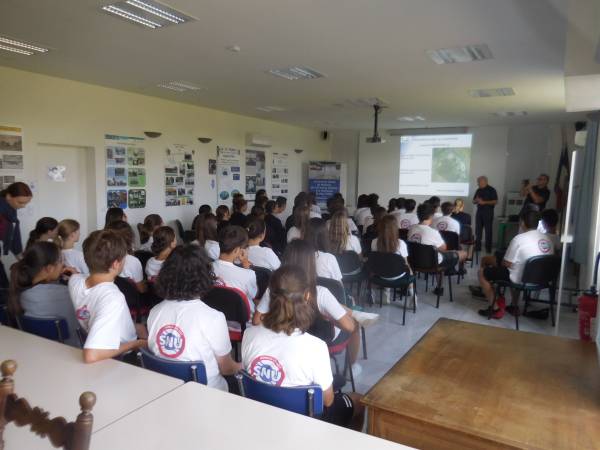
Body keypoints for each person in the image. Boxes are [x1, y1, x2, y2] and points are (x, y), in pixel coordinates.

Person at [243, 265, 364, 429]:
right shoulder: (316, 347)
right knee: (359, 400)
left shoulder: (249, 335)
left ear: (270, 296)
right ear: (307, 296)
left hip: (262, 413)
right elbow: (328, 401)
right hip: (305, 422)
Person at [253, 240, 360, 369]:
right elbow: (349, 327)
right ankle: (352, 368)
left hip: (284, 335)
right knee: (356, 325)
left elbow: (256, 321)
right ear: (311, 263)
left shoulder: (273, 288)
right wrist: (333, 317)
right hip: (320, 339)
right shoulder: (321, 293)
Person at [148, 245, 241, 391]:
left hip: (165, 388)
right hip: (206, 393)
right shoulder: (213, 318)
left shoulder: (155, 312)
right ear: (205, 275)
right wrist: (246, 366)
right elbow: (227, 368)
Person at [69, 230, 147, 363]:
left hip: (98, 334)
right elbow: (91, 356)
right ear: (116, 264)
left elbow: (78, 276)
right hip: (122, 358)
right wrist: (136, 344)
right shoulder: (112, 297)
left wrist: (133, 326)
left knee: (140, 327)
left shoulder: (74, 281)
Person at [477, 210, 555, 318]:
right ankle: (514, 306)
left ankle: (495, 308)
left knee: (483, 273)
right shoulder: (547, 239)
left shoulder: (519, 239)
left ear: (522, 222)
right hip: (542, 280)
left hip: (522, 279)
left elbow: (507, 263)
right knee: (516, 269)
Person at [8, 241, 79, 347]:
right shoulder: (66, 293)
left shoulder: (21, 292)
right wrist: (77, 281)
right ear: (49, 268)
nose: (64, 264)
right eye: (61, 260)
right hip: (70, 351)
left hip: (36, 348)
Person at [408, 203, 467, 293]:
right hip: (432, 263)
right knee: (463, 253)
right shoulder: (433, 232)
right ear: (431, 216)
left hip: (414, 261)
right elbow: (444, 249)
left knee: (436, 254)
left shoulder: (411, 229)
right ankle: (440, 287)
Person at [212, 225, 258, 310]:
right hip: (243, 320)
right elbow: (254, 295)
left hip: (215, 313)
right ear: (237, 250)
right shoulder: (248, 274)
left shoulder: (205, 268)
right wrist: (245, 262)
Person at [106, 221, 146, 293]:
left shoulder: (101, 257)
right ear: (130, 238)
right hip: (131, 301)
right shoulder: (133, 261)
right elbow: (142, 290)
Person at [473, 176, 498, 253]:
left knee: (488, 231)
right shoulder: (478, 190)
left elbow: (495, 201)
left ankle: (488, 248)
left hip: (488, 212)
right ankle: (478, 247)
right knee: (478, 230)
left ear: (484, 181)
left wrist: (484, 202)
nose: (478, 183)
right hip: (479, 212)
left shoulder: (492, 190)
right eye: (478, 182)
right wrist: (476, 200)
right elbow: (473, 201)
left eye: (479, 182)